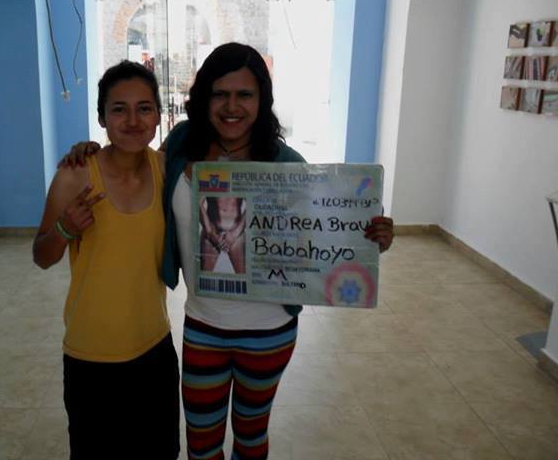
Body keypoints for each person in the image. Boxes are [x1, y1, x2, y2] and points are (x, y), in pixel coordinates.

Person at [61, 42, 394, 460]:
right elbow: (133, 162)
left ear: (262, 100)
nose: (231, 106)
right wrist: (91, 149)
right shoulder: (181, 144)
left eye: (244, 95)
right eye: (220, 94)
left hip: (270, 331)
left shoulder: (288, 165)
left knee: (251, 438)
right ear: (204, 97)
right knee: (201, 445)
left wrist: (369, 233)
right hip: (204, 326)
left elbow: (325, 230)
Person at [32, 60, 179, 459]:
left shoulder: (166, 171)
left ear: (158, 115)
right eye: (119, 109)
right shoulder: (76, 175)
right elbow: (41, 256)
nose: (132, 120)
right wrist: (64, 229)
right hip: (90, 356)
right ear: (101, 118)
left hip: (155, 347)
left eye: (144, 108)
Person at [199, 196, 246, 273]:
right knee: (203, 274)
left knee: (243, 276)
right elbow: (198, 202)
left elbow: (252, 203)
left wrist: (235, 233)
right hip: (211, 232)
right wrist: (210, 233)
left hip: (236, 233)